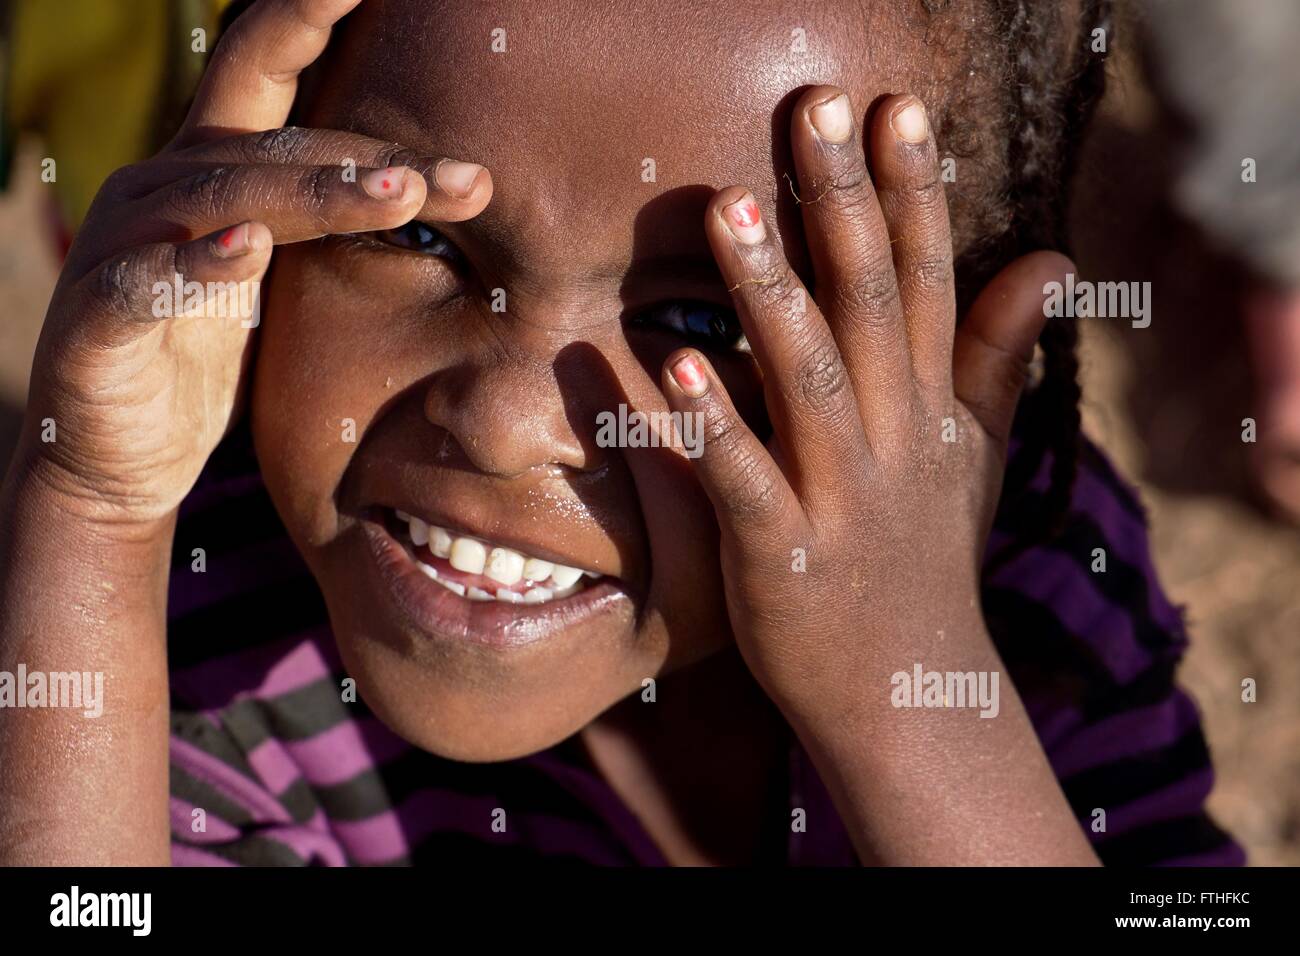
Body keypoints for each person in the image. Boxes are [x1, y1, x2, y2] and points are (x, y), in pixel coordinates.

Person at [0, 0, 1241, 866]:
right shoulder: (195, 636)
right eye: (418, 236)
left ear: (972, 362)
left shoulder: (1026, 590)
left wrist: (903, 703)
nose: (498, 422)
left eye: (705, 315)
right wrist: (94, 521)